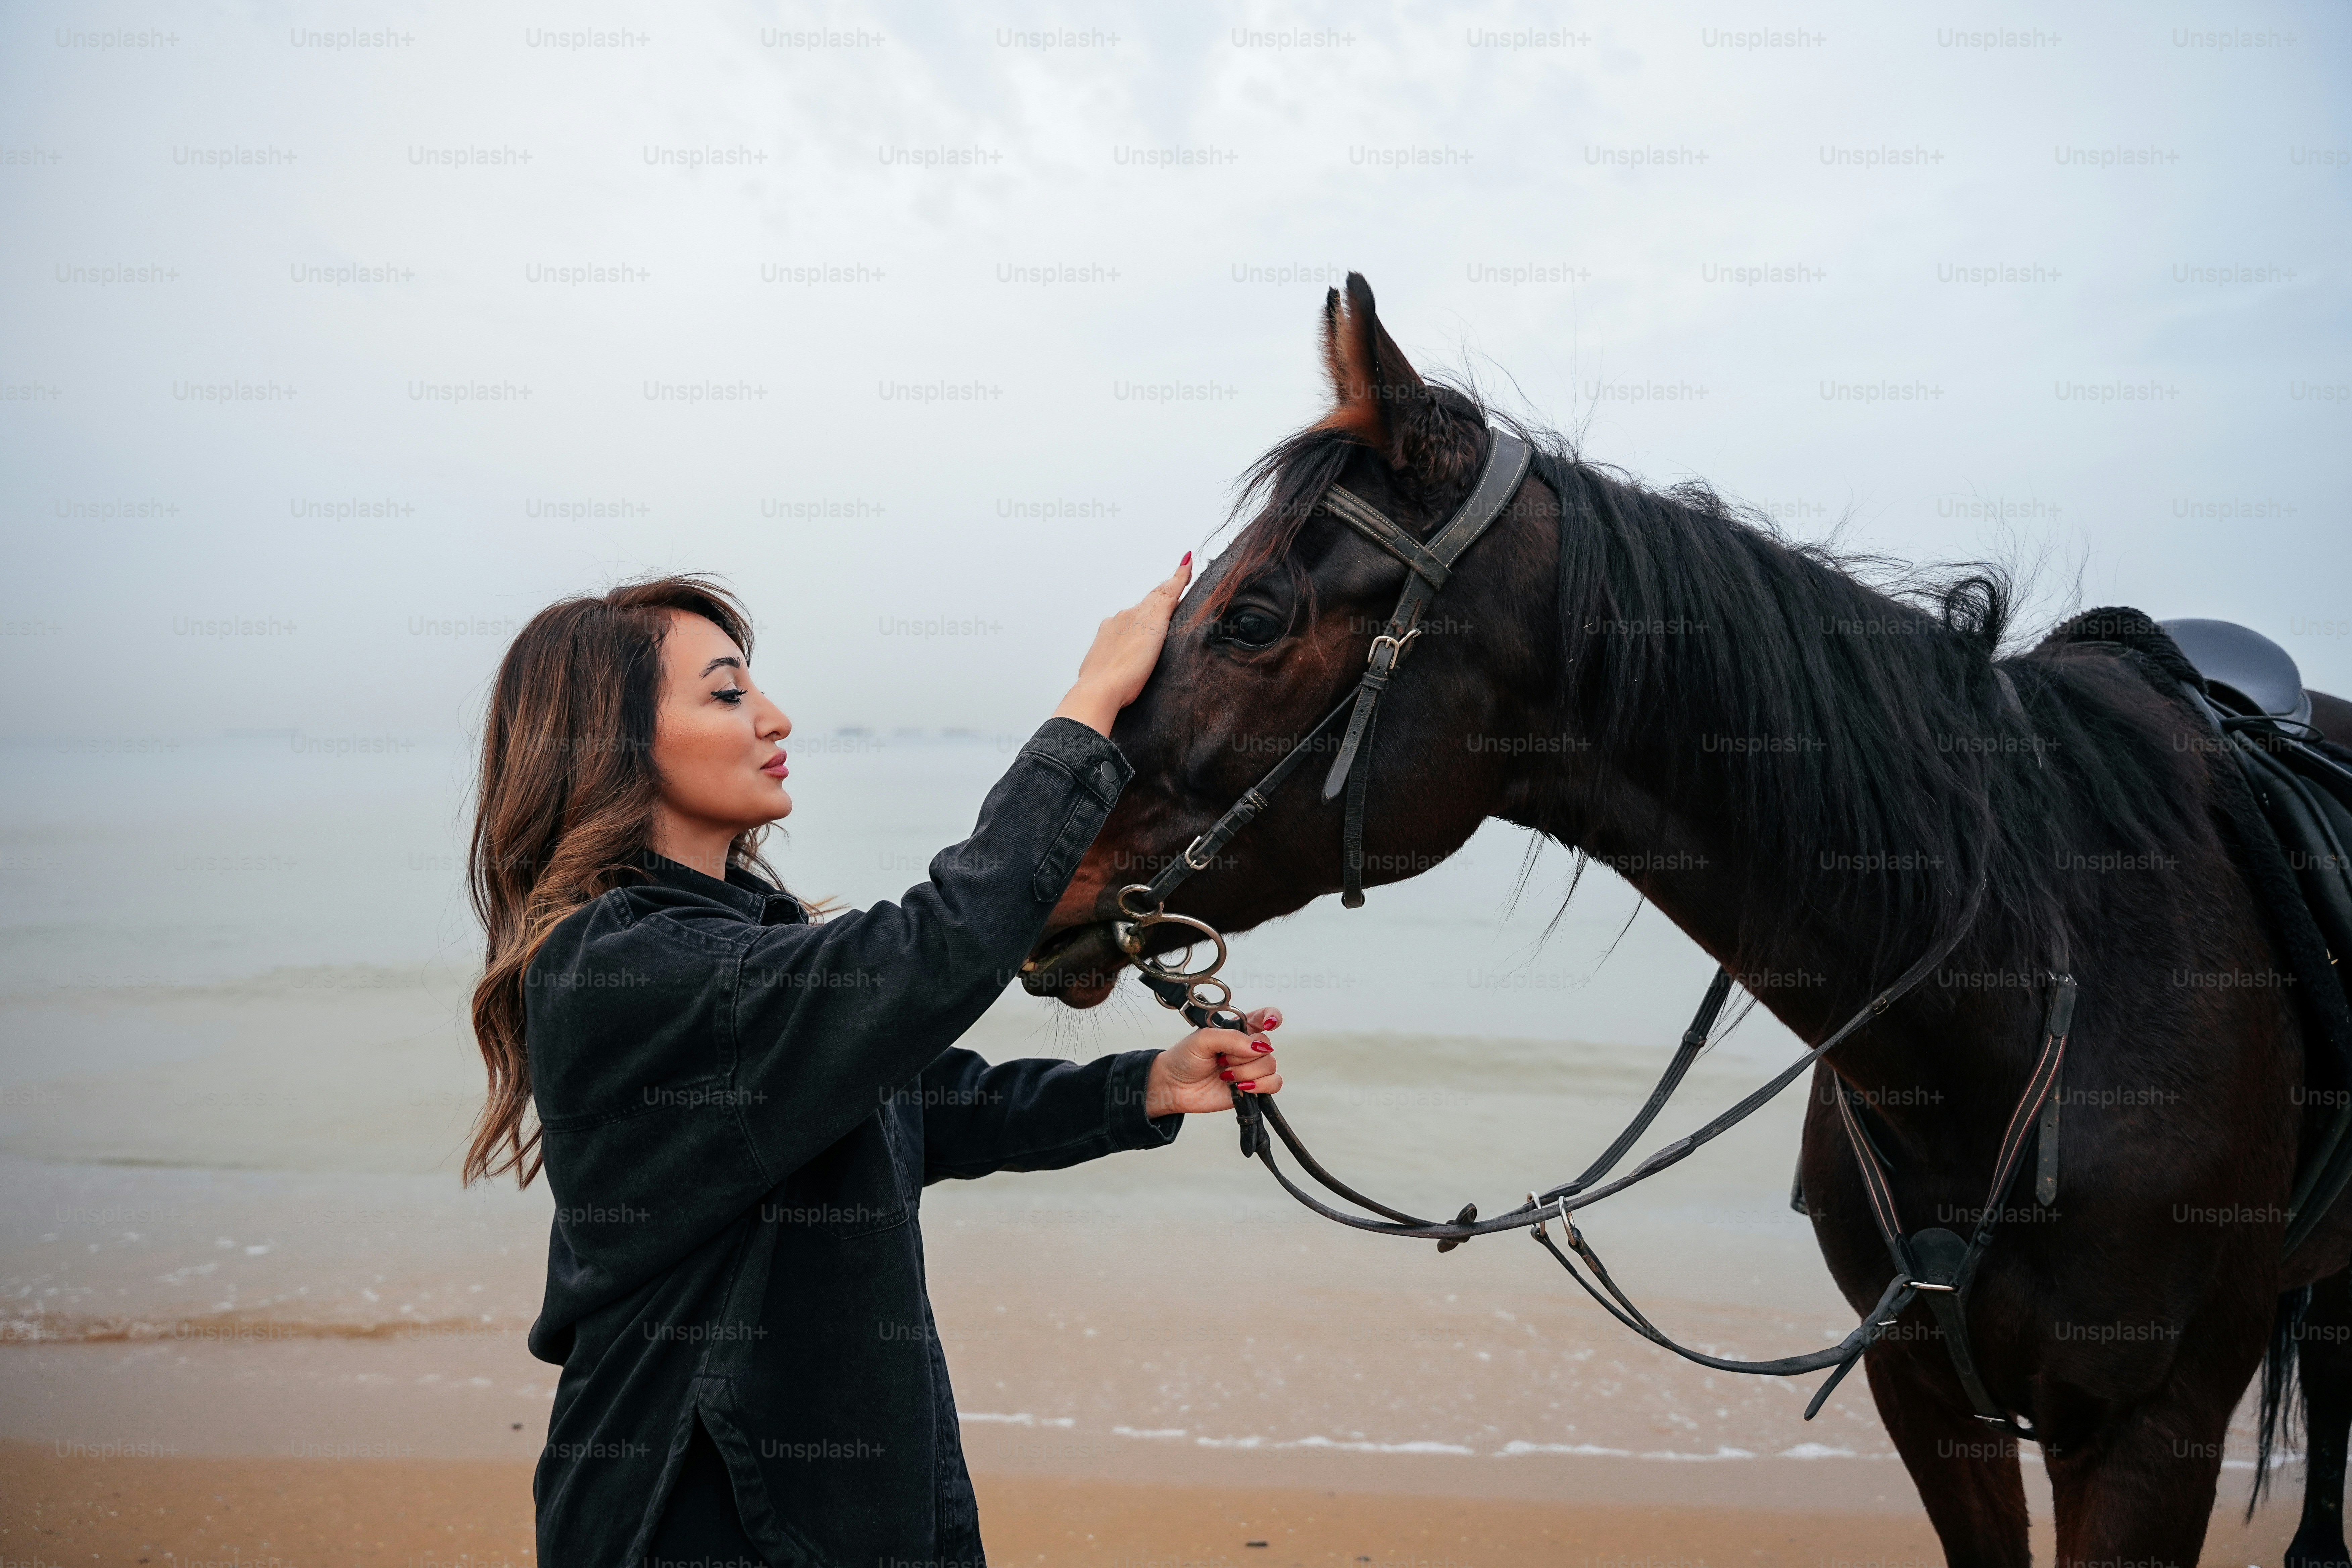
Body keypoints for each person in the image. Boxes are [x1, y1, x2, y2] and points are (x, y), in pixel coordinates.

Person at [462, 560, 1283, 1568]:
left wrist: (1142, 1087)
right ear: (613, 745)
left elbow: (924, 1103)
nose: (776, 719)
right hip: (693, 1506)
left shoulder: (735, 952)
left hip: (836, 1499)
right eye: (726, 693)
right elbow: (937, 950)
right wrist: (1091, 703)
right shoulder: (620, 964)